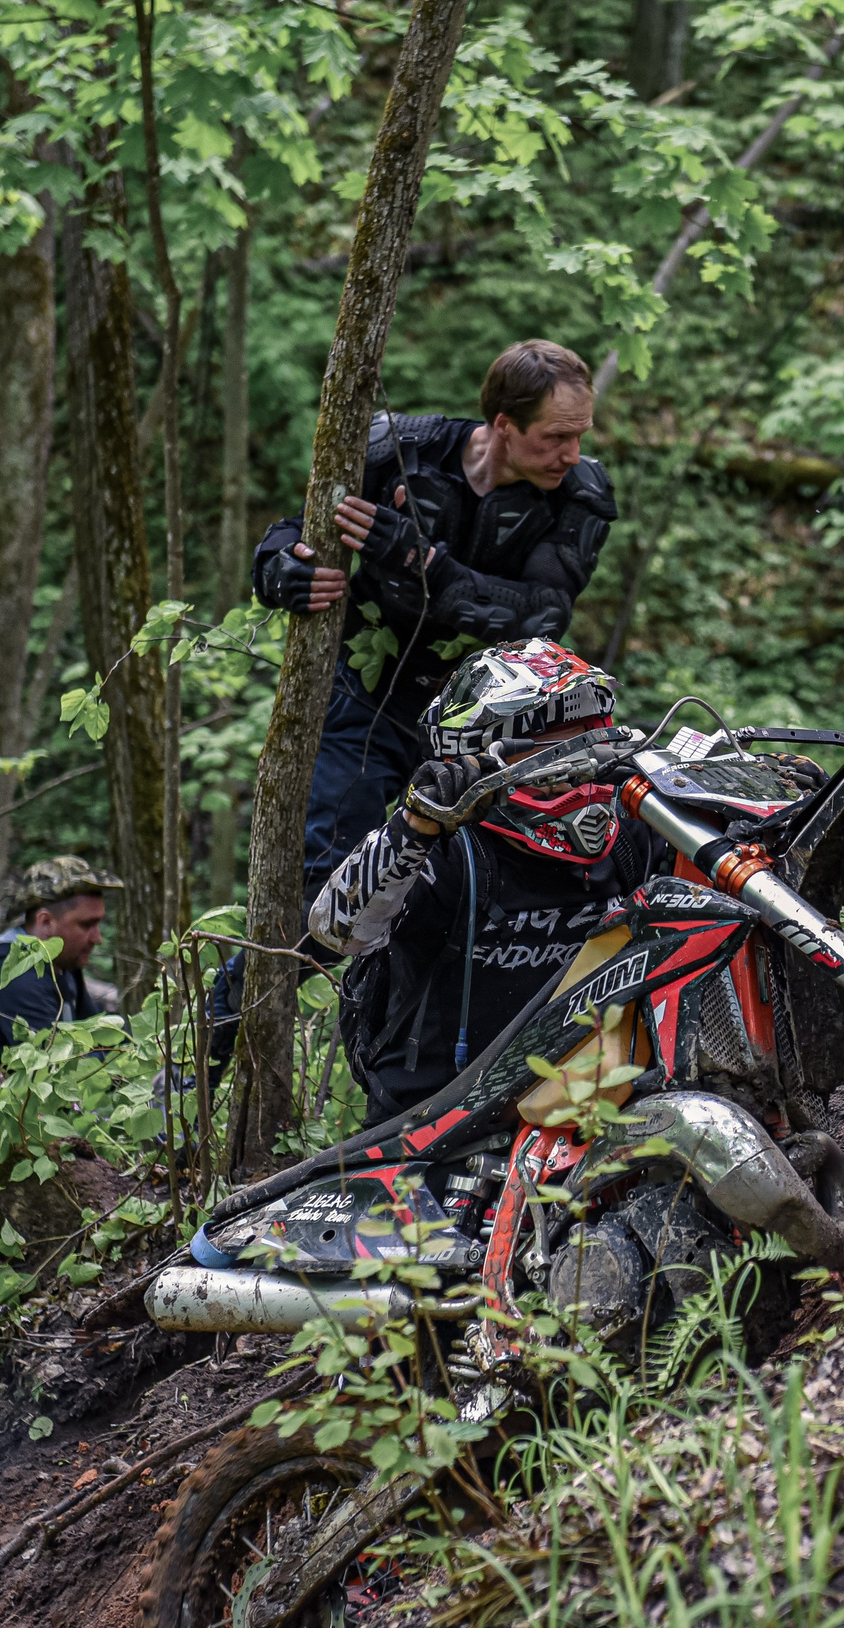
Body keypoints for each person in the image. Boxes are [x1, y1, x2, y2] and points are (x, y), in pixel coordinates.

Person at [252, 339, 618, 892]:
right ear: (504, 425)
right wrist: (282, 572)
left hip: (486, 727)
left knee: (460, 896)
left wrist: (419, 561)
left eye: (580, 435)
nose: (571, 453)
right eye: (556, 437)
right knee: (327, 886)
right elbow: (299, 528)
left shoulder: (578, 495)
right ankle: (239, 983)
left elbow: (543, 616)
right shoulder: (400, 450)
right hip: (363, 697)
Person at [306, 638, 663, 1116]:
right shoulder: (450, 848)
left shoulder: (631, 836)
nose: (583, 765)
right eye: (557, 743)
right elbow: (335, 930)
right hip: (430, 1125)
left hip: (576, 1116)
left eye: (590, 736)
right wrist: (414, 826)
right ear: (488, 751)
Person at [0, 856, 121, 1061]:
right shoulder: (19, 978)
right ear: (46, 922)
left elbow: (101, 1035)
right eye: (87, 925)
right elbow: (61, 1070)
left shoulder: (62, 964)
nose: (98, 938)